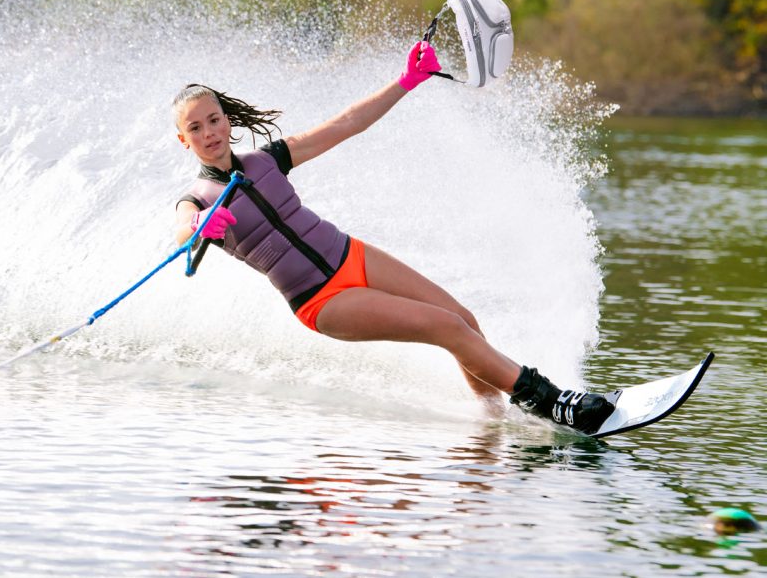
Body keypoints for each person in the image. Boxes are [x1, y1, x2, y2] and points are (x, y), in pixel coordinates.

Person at [171, 41, 615, 434]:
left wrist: (406, 81)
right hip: (320, 300)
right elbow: (181, 233)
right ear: (183, 140)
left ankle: (494, 420)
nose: (209, 133)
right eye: (195, 128)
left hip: (351, 255)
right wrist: (199, 226)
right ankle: (553, 402)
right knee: (446, 328)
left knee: (462, 317)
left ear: (227, 121)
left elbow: (347, 123)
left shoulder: (269, 160)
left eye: (214, 120)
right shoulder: (198, 198)